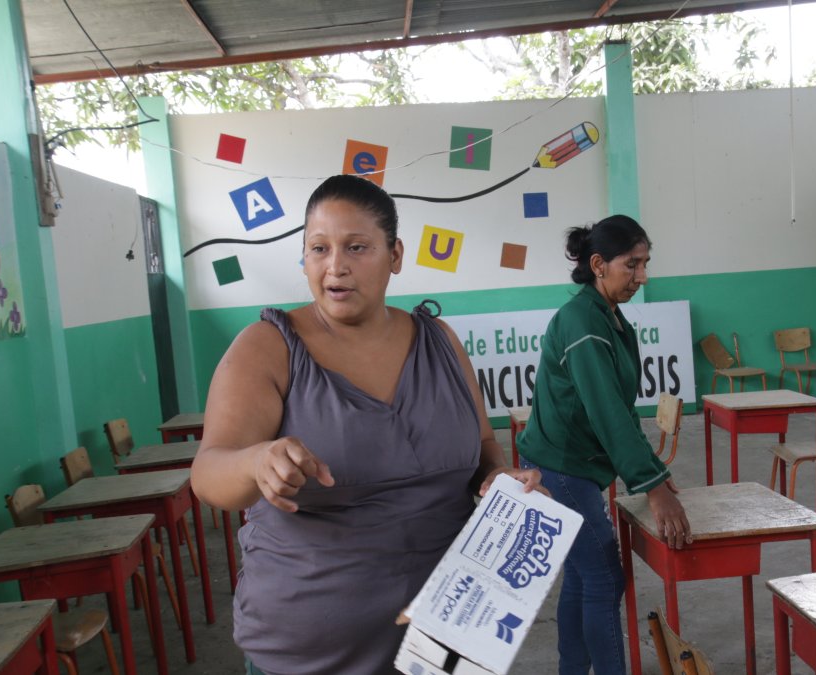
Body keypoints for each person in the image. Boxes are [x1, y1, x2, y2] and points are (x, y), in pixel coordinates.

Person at [190, 174, 541, 675]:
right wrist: (255, 461)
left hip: (449, 639)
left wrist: (496, 478)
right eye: (319, 249)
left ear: (395, 255)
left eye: (357, 247)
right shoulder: (266, 347)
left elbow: (482, 442)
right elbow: (208, 474)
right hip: (309, 654)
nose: (336, 266)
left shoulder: (438, 340)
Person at [516, 215, 691, 675]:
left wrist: (652, 467)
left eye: (645, 264)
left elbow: (619, 406)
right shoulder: (584, 324)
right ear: (598, 264)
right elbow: (608, 414)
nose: (642, 276)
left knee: (581, 574)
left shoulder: (604, 315)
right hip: (560, 469)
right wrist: (652, 488)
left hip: (568, 463)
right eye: (632, 265)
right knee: (603, 576)